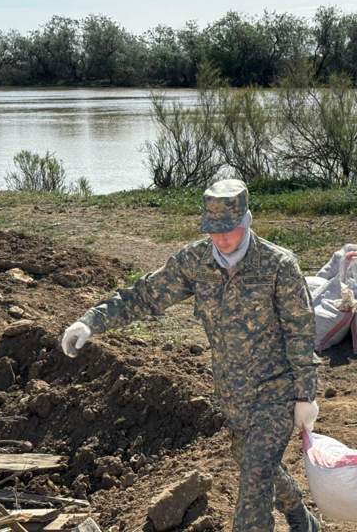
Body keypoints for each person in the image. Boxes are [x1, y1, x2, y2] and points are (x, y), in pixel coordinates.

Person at [61, 179, 322, 532]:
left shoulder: (278, 266)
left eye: (229, 229)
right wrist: (91, 322)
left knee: (255, 481)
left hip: (276, 392)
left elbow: (300, 332)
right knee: (254, 465)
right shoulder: (195, 261)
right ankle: (300, 518)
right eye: (214, 230)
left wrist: (305, 394)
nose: (222, 238)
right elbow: (144, 295)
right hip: (233, 393)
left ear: (246, 221)